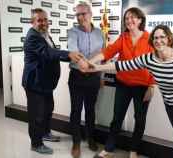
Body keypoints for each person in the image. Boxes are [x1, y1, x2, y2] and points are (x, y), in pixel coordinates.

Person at [82, 25, 173, 158]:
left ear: (169, 39)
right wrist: (97, 67)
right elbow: (122, 65)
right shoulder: (149, 59)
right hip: (171, 107)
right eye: (155, 38)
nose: (158, 40)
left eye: (162, 37)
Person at [82, 7, 155, 158]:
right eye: (127, 18)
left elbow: (156, 64)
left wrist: (152, 86)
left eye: (133, 17)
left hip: (143, 86)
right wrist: (89, 62)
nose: (129, 20)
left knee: (140, 120)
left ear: (140, 20)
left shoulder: (150, 38)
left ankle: (134, 150)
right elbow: (107, 52)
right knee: (117, 118)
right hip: (123, 84)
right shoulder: (123, 37)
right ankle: (109, 148)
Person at [22, 8, 83, 155]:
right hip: (34, 83)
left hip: (45, 83)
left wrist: (69, 56)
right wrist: (68, 54)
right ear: (32, 22)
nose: (43, 23)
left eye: (45, 19)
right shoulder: (32, 37)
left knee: (48, 109)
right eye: (39, 20)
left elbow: (52, 53)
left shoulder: (44, 34)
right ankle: (36, 144)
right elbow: (48, 53)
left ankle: (45, 133)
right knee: (37, 115)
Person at [67, 2, 104, 158]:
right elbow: (73, 51)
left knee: (90, 110)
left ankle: (91, 138)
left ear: (90, 14)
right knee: (76, 111)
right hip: (77, 77)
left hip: (94, 78)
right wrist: (82, 63)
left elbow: (103, 55)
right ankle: (76, 142)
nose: (81, 17)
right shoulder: (72, 32)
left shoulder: (100, 33)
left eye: (83, 13)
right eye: (78, 14)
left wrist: (100, 76)